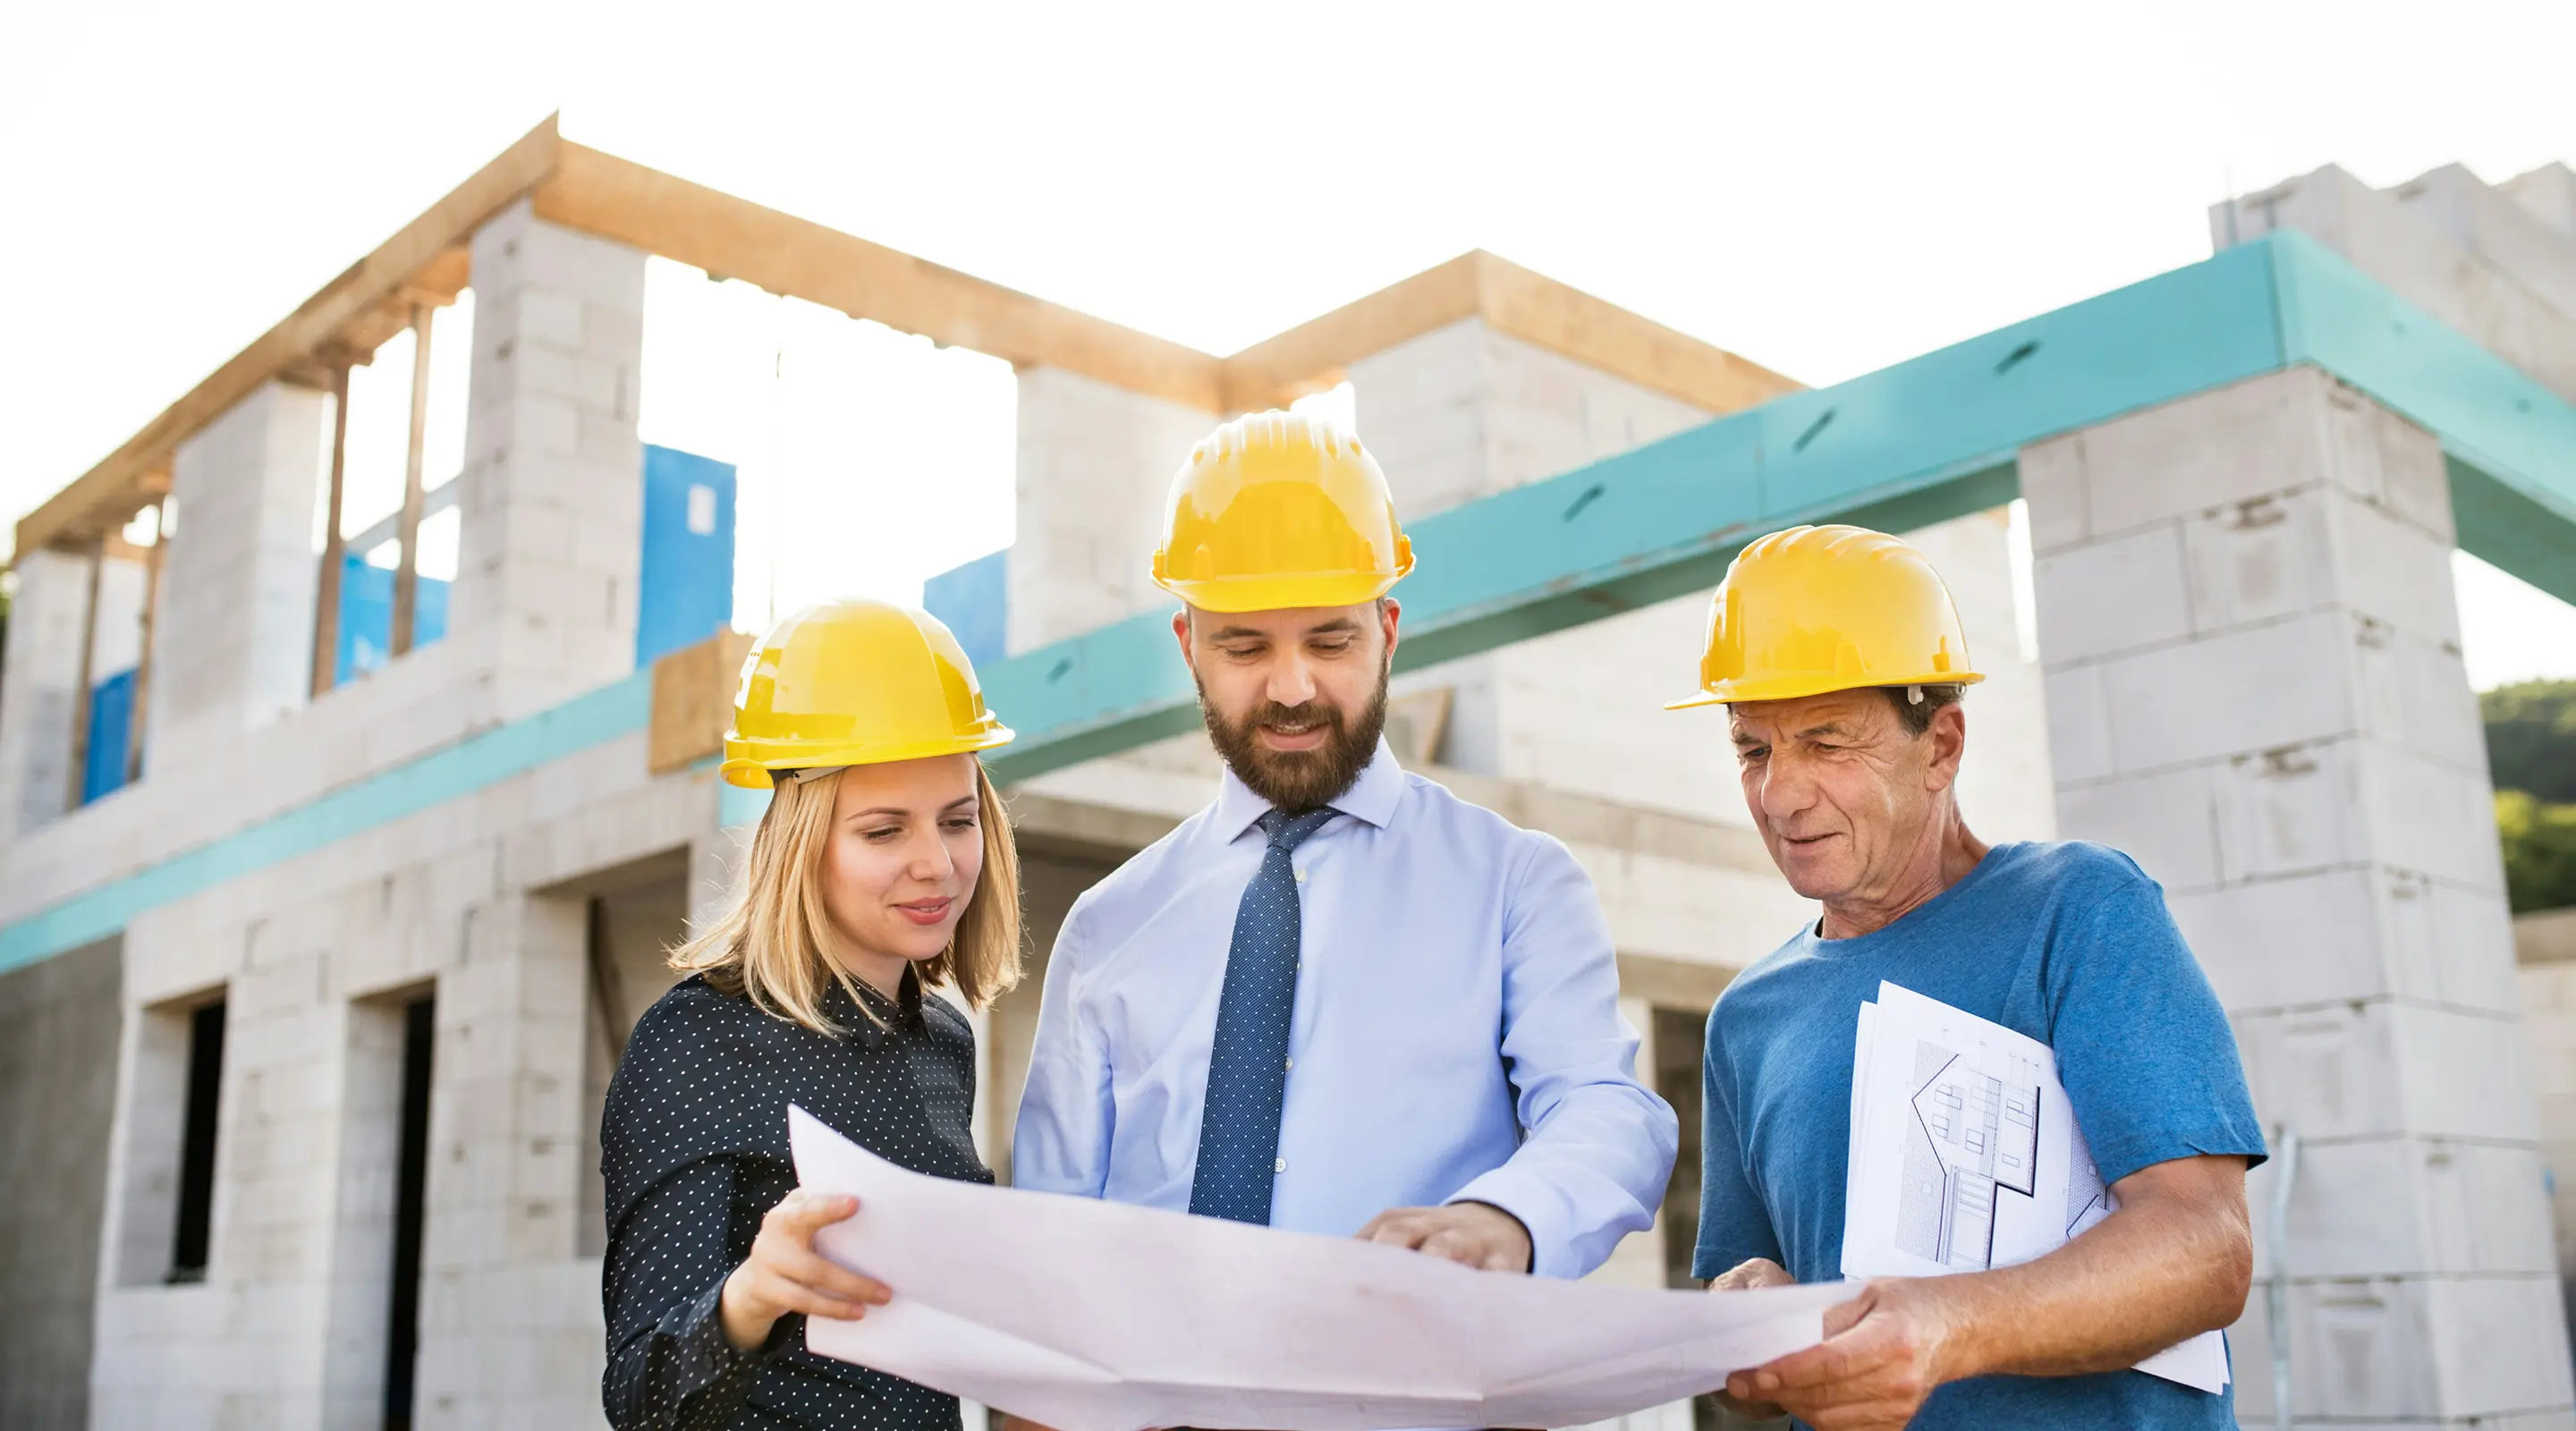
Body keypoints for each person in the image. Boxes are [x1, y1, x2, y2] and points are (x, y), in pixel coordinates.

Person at [1013, 411, 1676, 1279]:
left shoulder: (1517, 885)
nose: (1293, 687)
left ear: (1389, 631)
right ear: (1189, 647)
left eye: (1331, 639)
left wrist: (1505, 1219)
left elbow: (1606, 1108)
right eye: (1245, 645)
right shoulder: (1108, 927)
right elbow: (1046, 1228)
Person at [1676, 525, 2266, 1430]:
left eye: (1827, 743)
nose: (1780, 796)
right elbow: (1739, 1304)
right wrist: (1743, 1309)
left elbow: (2206, 1246)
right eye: (1754, 749)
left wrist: (1949, 1325)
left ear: (1941, 745)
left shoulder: (2078, 912)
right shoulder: (1748, 1018)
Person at [600, 600, 1023, 1430]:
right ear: (803, 842)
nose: (935, 864)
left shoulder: (943, 1041)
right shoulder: (701, 1043)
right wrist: (748, 1300)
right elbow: (639, 1398)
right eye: (882, 831)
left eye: (957, 820)